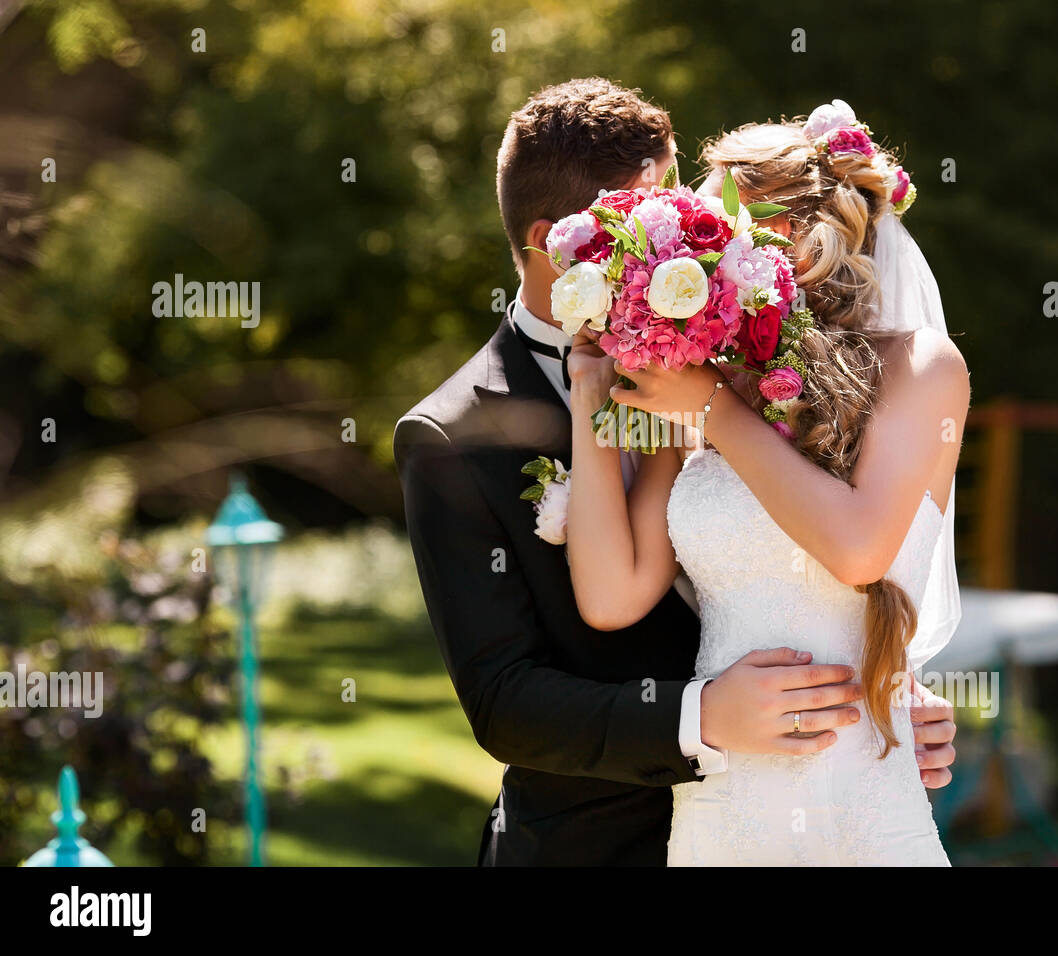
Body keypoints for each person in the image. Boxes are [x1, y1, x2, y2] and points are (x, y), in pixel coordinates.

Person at [395, 81, 957, 866]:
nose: (682, 247)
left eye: (692, 223)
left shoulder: (737, 379)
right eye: (656, 225)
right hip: (619, 839)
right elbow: (511, 700)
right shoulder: (451, 435)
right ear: (552, 239)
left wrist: (886, 686)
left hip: (839, 796)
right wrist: (702, 719)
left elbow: (846, 559)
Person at [565, 105, 969, 865]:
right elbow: (613, 595)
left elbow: (857, 552)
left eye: (711, 230)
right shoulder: (705, 387)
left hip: (863, 813)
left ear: (785, 243)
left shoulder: (922, 369)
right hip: (722, 816)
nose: (686, 252)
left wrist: (712, 410)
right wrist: (592, 391)